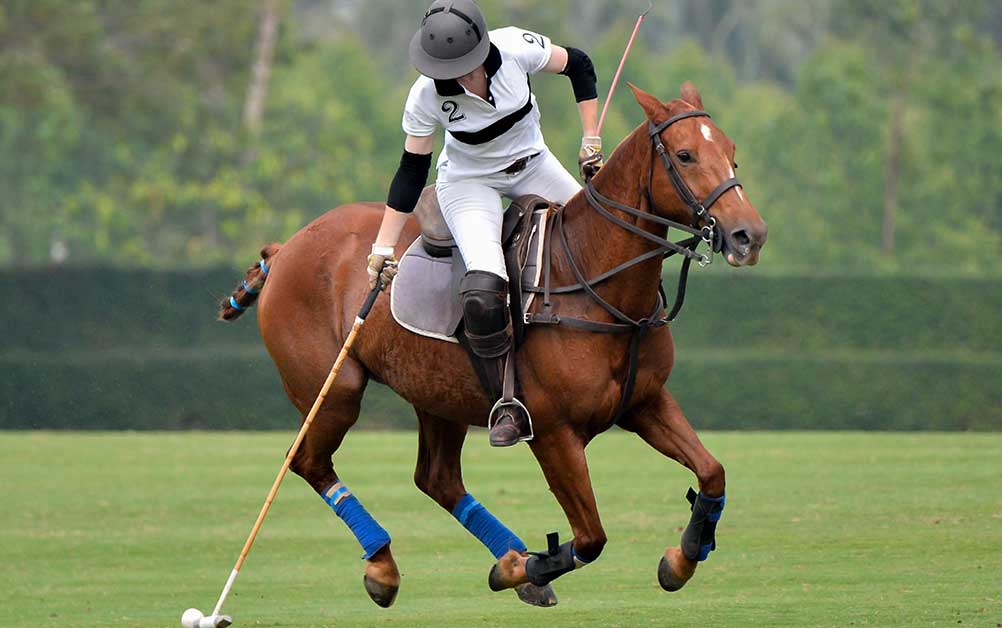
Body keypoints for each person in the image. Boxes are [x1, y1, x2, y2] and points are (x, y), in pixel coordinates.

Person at [367, 0, 601, 446]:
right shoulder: (425, 95)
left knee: (601, 240)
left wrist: (590, 139)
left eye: (458, 65)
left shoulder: (515, 48)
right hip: (468, 182)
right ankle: (508, 399)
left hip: (534, 164)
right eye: (441, 67)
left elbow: (580, 65)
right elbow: (412, 171)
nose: (450, 75)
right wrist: (382, 247)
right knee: (483, 289)